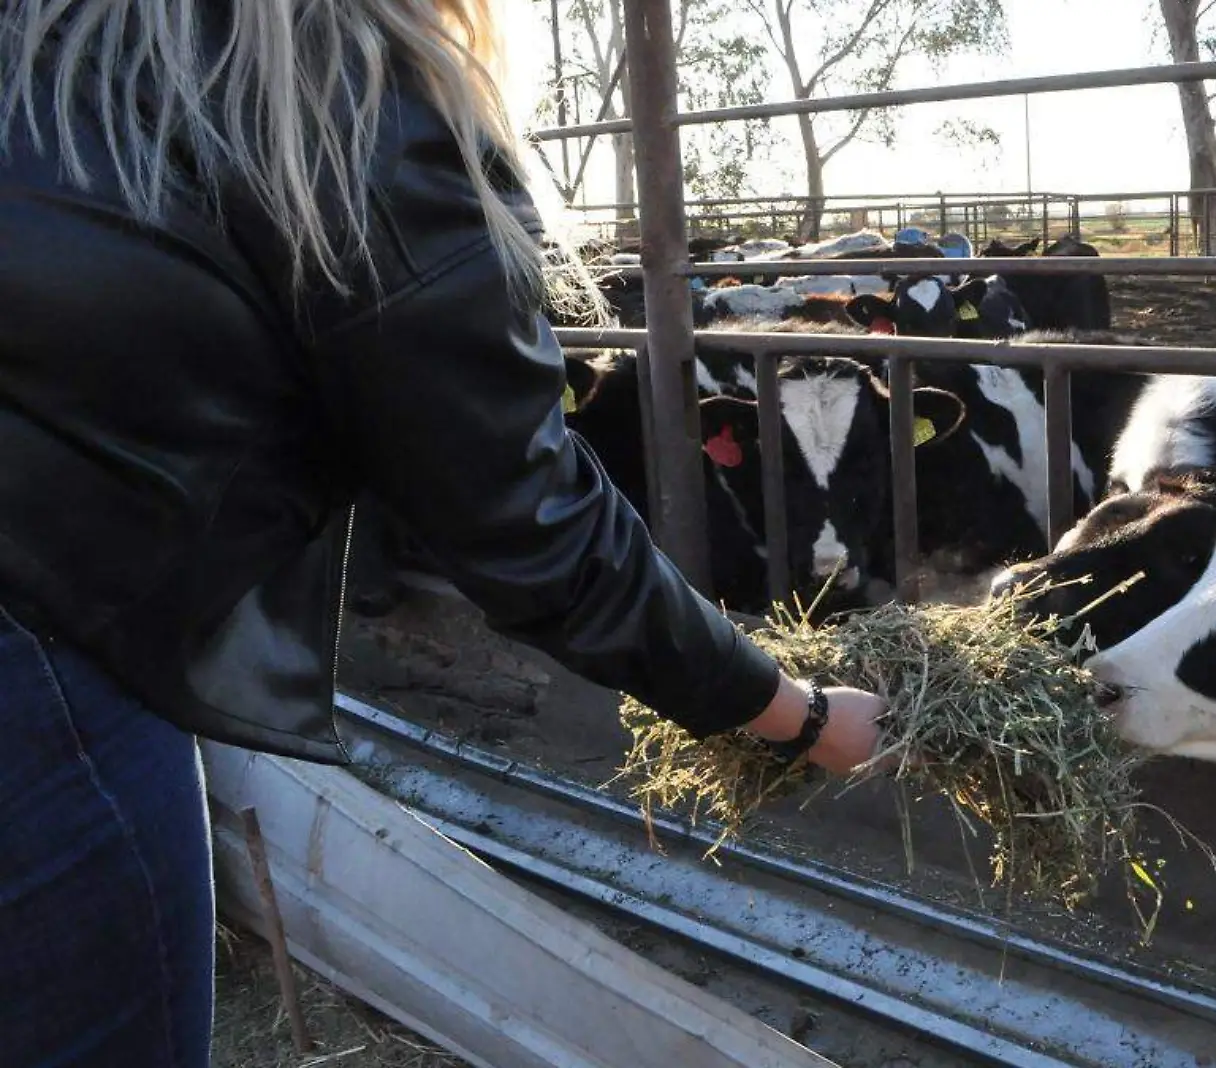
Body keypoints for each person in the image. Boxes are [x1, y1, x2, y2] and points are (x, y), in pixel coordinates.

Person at [0, 3, 891, 1065]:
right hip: (36, 659)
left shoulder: (61, 47)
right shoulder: (322, 75)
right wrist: (792, 712)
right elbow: (523, 513)